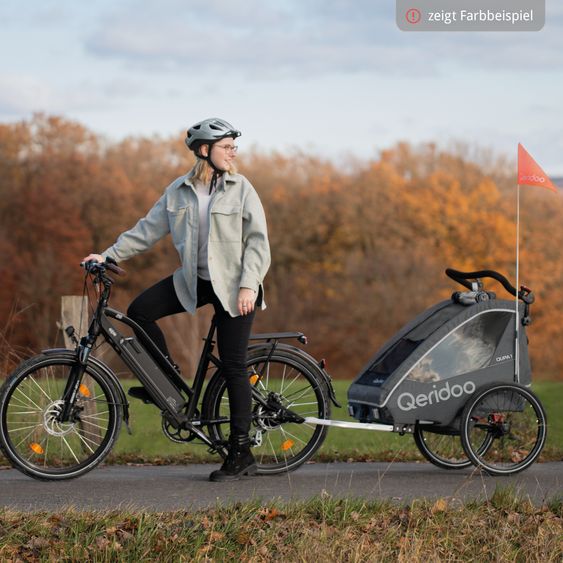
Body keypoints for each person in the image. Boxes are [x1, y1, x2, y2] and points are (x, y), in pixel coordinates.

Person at [82, 118, 271, 481]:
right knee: (140, 311)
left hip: (235, 287)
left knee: (232, 365)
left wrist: (249, 285)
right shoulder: (179, 191)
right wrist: (107, 255)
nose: (233, 152)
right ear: (205, 150)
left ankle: (241, 452)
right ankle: (165, 381)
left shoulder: (242, 188)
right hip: (195, 281)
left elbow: (258, 243)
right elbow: (146, 230)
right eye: (226, 146)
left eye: (234, 146)